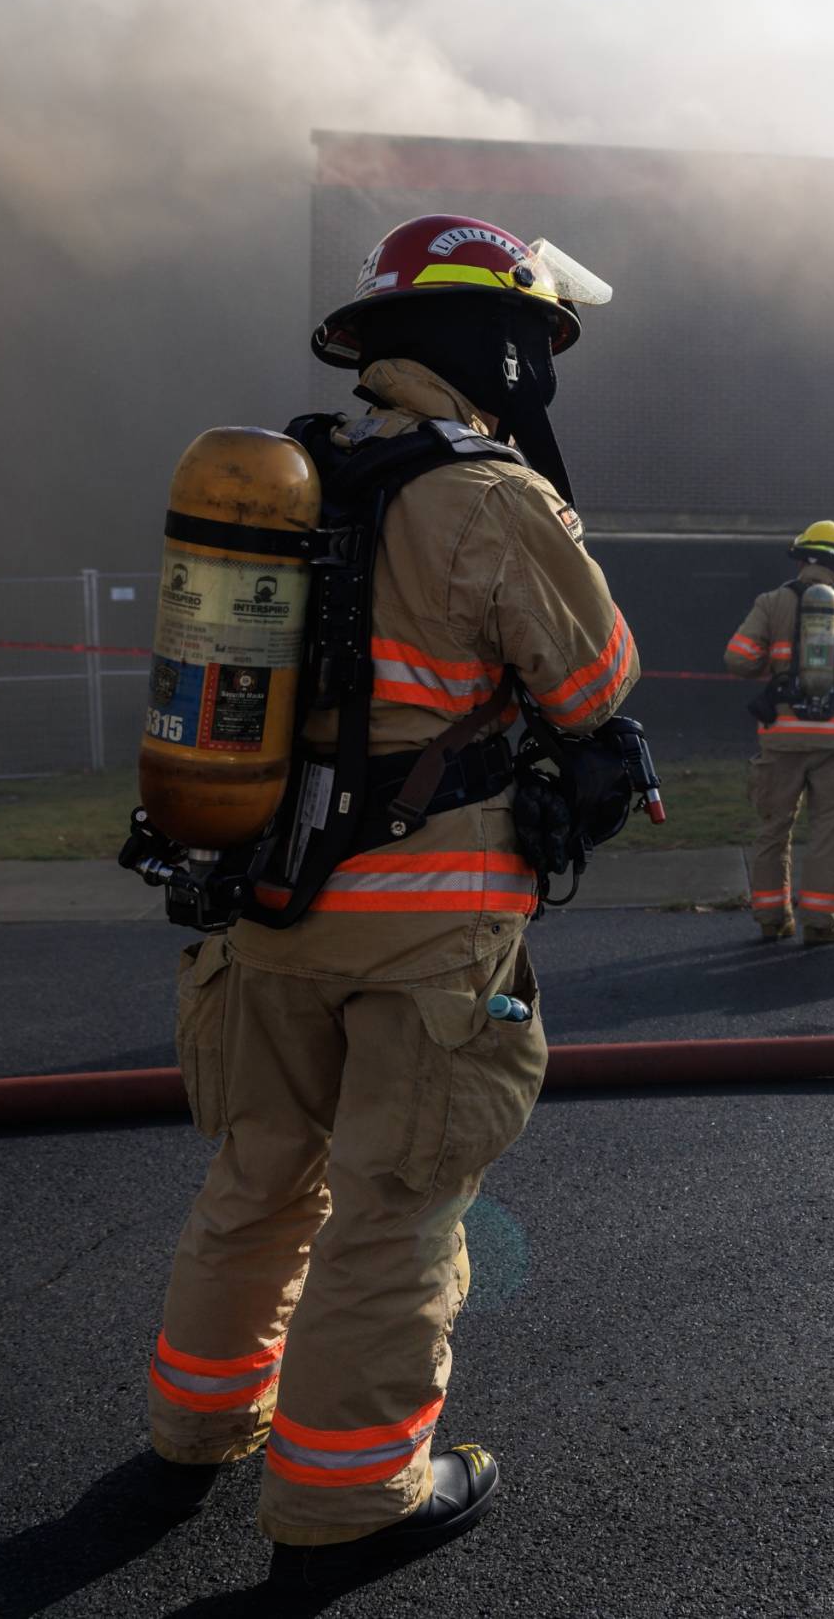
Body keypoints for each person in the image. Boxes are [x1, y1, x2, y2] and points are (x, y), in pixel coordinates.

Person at [139, 213, 635, 1584]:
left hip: (259, 906)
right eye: (537, 341)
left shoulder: (294, 477)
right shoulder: (484, 493)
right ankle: (351, 1499)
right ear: (502, 347)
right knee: (396, 1207)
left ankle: (197, 1425)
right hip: (426, 929)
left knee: (256, 1177)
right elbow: (594, 686)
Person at [722, 520, 834, 944]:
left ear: (801, 559)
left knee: (773, 829)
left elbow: (738, 658)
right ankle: (821, 922)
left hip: (781, 737)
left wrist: (778, 669)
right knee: (827, 830)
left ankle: (772, 918)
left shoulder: (772, 603)